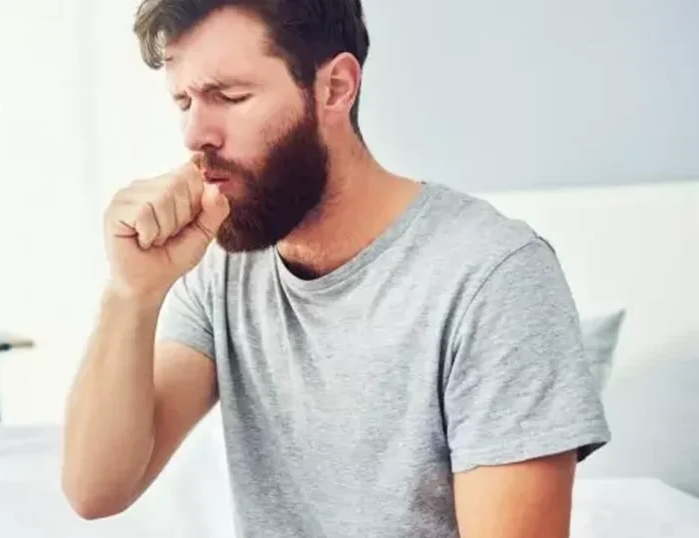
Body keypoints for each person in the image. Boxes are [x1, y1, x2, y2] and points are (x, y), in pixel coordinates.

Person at [62, 1, 611, 536]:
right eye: (183, 102)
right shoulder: (222, 272)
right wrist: (131, 294)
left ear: (335, 88)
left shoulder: (491, 277)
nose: (195, 135)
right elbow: (95, 491)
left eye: (228, 96)